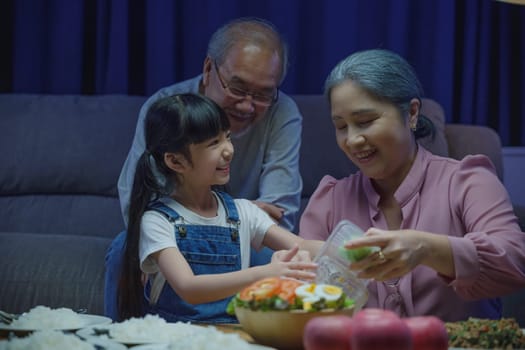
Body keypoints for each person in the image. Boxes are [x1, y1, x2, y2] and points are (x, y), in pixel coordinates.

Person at [299, 49, 525, 322]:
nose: (353, 140)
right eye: (341, 126)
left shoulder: (468, 182)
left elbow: (514, 262)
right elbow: (306, 298)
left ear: (412, 113)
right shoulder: (329, 200)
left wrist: (427, 249)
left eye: (365, 122)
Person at [105, 17, 303, 318]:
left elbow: (279, 211)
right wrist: (230, 211)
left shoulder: (283, 112)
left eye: (263, 94)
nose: (247, 106)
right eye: (237, 88)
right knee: (125, 249)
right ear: (209, 68)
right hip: (175, 228)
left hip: (245, 234)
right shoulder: (164, 107)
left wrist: (235, 214)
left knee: (278, 256)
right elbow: (140, 198)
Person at [118, 93, 321, 323]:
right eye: (214, 143)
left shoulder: (244, 212)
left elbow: (302, 245)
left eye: (227, 137)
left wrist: (353, 251)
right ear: (176, 161)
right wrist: (266, 273)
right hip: (176, 339)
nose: (229, 150)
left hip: (233, 335)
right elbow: (189, 287)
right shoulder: (157, 220)